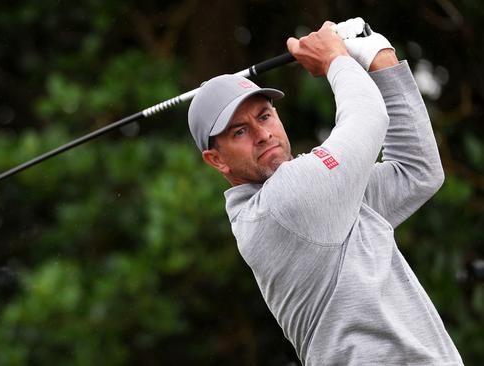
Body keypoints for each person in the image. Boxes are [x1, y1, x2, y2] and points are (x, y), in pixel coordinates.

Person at [188, 19, 463, 365]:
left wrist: (380, 56)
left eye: (265, 116)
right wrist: (336, 59)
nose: (262, 134)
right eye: (240, 132)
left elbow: (417, 171)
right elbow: (368, 117)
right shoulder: (282, 204)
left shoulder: (326, 199)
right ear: (217, 160)